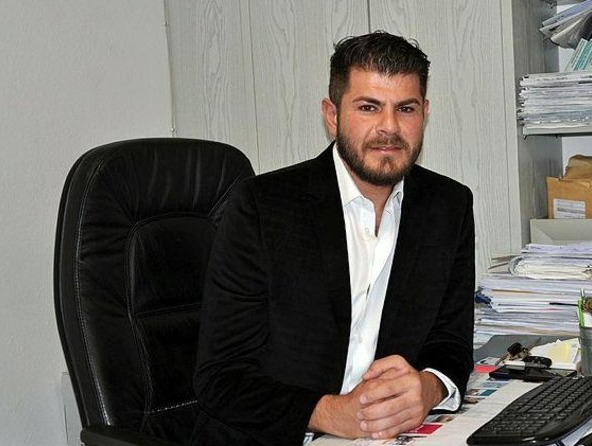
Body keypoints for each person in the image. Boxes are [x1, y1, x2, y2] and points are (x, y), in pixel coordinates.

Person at [189, 31, 475, 446]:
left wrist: (429, 389)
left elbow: (450, 341)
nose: (389, 127)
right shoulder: (263, 208)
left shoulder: (448, 205)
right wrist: (330, 413)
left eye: (406, 108)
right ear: (332, 115)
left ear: (424, 114)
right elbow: (221, 377)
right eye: (368, 107)